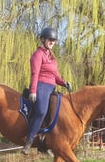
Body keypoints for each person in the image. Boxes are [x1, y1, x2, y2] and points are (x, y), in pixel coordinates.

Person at [21, 27, 71, 155]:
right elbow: (35, 73)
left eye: (54, 40)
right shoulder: (38, 55)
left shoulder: (51, 57)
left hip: (51, 87)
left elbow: (56, 76)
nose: (52, 42)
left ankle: (45, 143)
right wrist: (33, 91)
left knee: (56, 114)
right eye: (50, 39)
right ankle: (29, 140)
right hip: (41, 86)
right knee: (41, 112)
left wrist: (64, 83)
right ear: (43, 39)